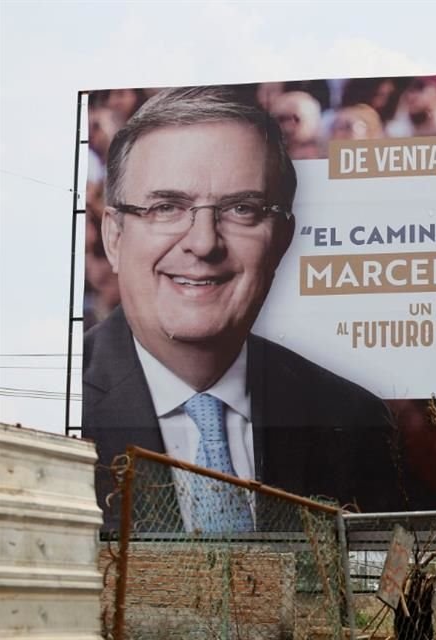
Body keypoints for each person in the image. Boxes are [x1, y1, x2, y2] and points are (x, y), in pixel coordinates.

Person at [82, 86, 398, 532]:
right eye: (167, 207)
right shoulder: (47, 414)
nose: (204, 242)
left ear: (282, 239)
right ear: (113, 237)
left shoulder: (351, 420)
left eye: (242, 209)